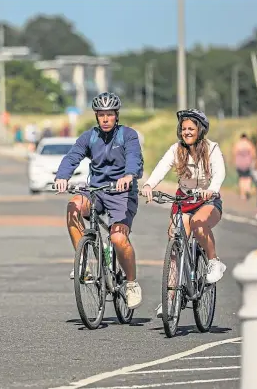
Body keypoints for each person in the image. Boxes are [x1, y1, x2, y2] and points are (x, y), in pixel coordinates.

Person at [54, 92, 144, 310]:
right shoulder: (89, 137)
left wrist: (129, 176)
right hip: (97, 191)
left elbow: (134, 158)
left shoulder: (128, 135)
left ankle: (131, 284)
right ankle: (84, 262)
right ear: (96, 116)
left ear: (116, 116)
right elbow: (73, 156)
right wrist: (62, 176)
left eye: (109, 115)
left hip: (122, 193)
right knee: (73, 205)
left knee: (117, 239)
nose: (105, 119)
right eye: (101, 115)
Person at [140, 109, 226, 319]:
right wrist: (150, 184)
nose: (187, 132)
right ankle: (170, 299)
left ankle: (214, 261)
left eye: (191, 128)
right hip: (183, 200)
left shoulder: (212, 148)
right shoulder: (176, 149)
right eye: (184, 128)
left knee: (198, 224)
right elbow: (162, 167)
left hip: (207, 201)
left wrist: (211, 189)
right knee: (175, 241)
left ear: (200, 130)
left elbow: (220, 173)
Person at [232, 133, 256, 200]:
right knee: (248, 178)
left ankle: (242, 194)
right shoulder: (249, 144)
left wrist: (235, 161)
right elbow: (253, 153)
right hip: (248, 163)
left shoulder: (238, 144)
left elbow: (234, 153)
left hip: (239, 163)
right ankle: (247, 189)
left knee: (241, 178)